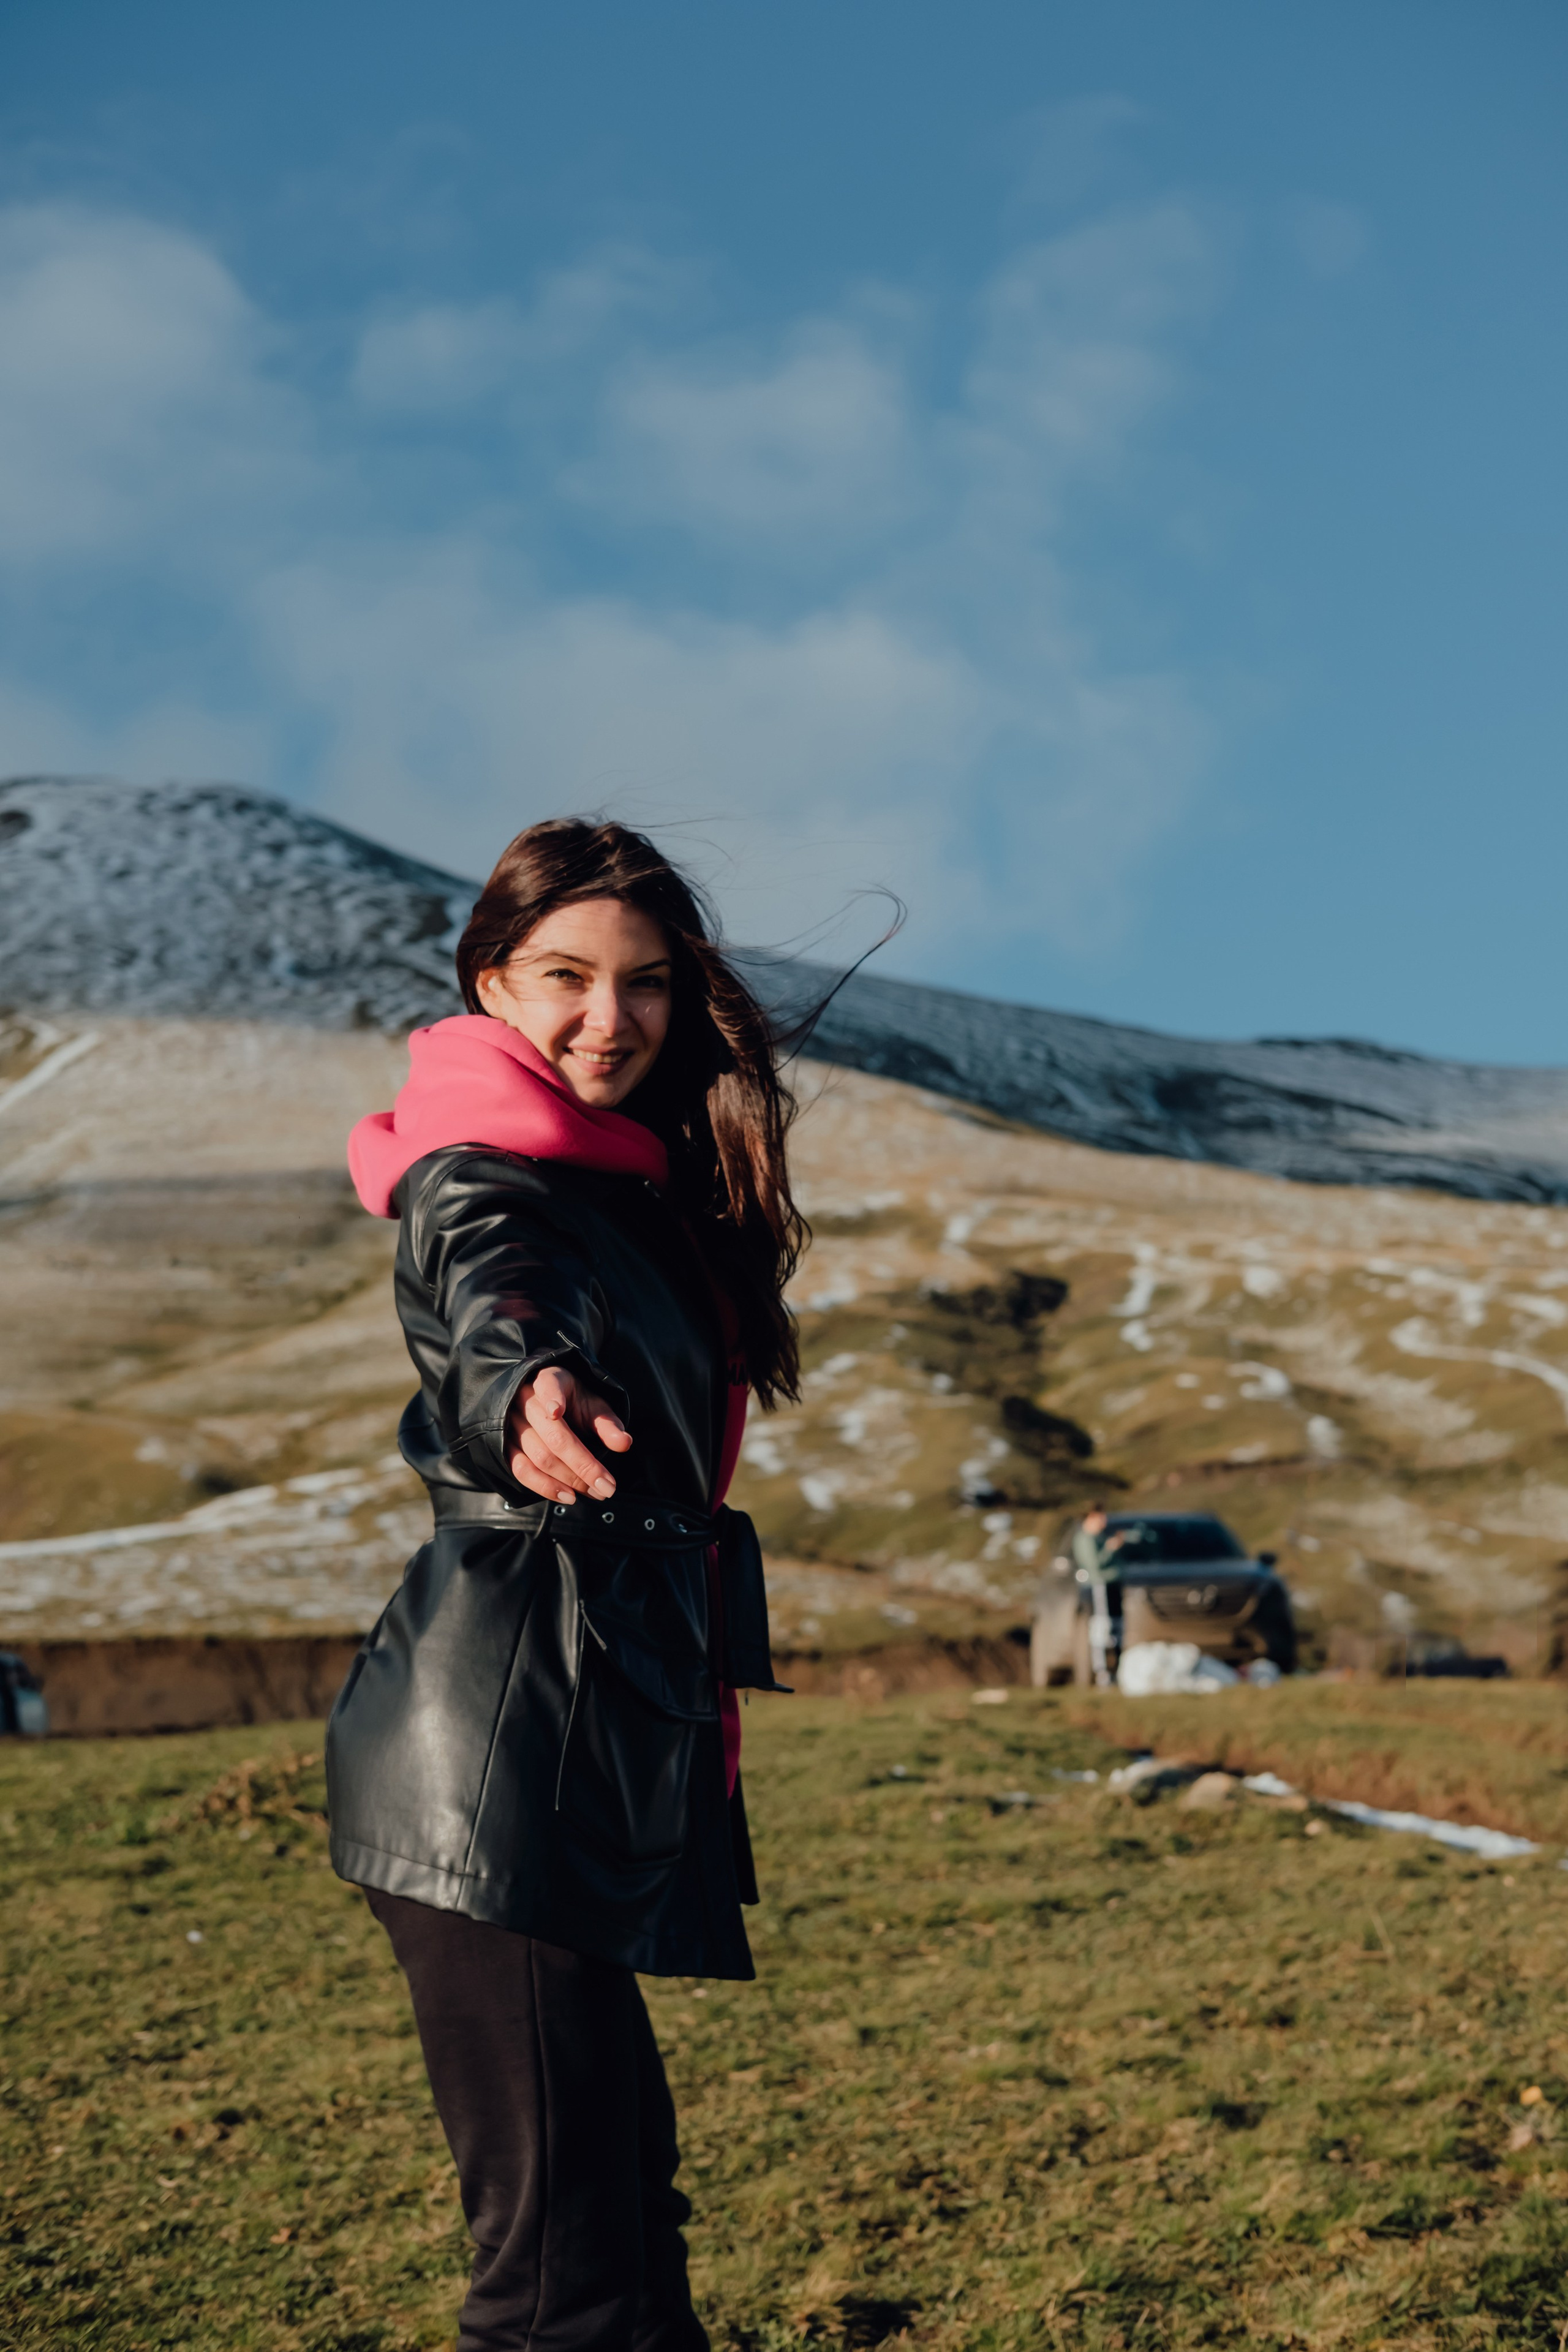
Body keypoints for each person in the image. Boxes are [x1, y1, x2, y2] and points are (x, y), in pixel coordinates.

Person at [326, 818, 803, 2352]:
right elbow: (485, 1281)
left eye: (647, 982)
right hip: (493, 1771)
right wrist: (520, 1382)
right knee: (559, 2280)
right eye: (566, 977)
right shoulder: (481, 1160)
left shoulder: (626, 1179)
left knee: (624, 2224)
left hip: (575, 1744)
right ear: (488, 982)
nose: (612, 1017)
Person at [1071, 1506, 1127, 1687]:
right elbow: (1095, 1565)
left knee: (1116, 1626)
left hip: (1110, 1585)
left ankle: (1118, 1670)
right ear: (1090, 1517)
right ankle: (1103, 1673)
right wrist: (1111, 1548)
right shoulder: (1085, 1539)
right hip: (1098, 1587)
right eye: (1100, 1518)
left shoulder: (1098, 1537)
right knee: (1102, 1627)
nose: (1104, 1522)